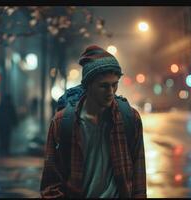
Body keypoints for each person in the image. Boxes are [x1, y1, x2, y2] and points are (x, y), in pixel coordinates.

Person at [40, 45, 146, 198]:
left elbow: (139, 179)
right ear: (88, 85)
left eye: (114, 85)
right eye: (103, 86)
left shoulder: (129, 118)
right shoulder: (62, 122)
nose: (110, 92)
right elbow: (51, 183)